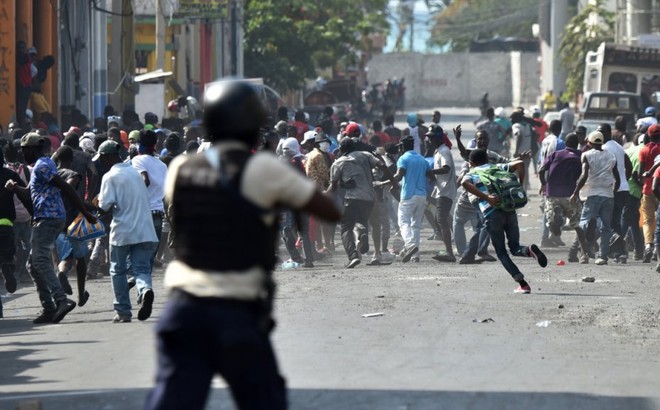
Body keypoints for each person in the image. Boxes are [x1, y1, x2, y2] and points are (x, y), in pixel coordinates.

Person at [144, 80, 340, 410]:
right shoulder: (263, 169)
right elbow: (330, 210)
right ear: (253, 127)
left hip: (184, 309)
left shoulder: (182, 167)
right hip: (237, 311)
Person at [5, 132, 97, 324]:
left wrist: (85, 211)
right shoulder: (39, 166)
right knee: (33, 264)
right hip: (45, 218)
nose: (22, 154)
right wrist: (14, 188)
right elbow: (30, 194)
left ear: (32, 149)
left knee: (39, 260)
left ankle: (61, 300)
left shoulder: (43, 164)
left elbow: (66, 187)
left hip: (49, 218)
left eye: (24, 150)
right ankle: (49, 308)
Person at [461, 149, 547, 293]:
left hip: (491, 213)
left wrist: (487, 197)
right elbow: (520, 163)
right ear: (487, 159)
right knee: (514, 247)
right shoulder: (497, 167)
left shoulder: (473, 173)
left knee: (501, 252)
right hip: (509, 210)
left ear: (471, 163)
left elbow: (464, 182)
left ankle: (523, 284)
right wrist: (520, 185)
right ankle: (529, 250)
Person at [96, 140, 159, 322]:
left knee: (117, 270)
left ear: (108, 157)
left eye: (102, 158)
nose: (101, 162)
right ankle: (145, 289)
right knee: (141, 268)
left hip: (123, 230)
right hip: (145, 229)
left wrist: (94, 203)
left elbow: (104, 206)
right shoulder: (135, 172)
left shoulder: (110, 176)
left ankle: (123, 311)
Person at [326, 138, 381, 268]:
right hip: (369, 198)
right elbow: (382, 165)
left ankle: (353, 256)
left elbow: (332, 187)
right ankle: (362, 234)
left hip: (352, 198)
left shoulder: (338, 162)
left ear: (342, 149)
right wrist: (393, 182)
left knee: (345, 228)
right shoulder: (365, 155)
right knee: (360, 223)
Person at [570, 131, 620, 265]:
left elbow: (584, 175)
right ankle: (602, 257)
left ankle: (584, 254)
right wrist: (612, 193)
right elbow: (617, 179)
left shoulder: (586, 155)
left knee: (583, 224)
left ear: (589, 143)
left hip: (591, 194)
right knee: (606, 227)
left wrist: (575, 192)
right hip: (607, 195)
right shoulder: (611, 156)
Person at [382, 136, 434, 263]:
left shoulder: (403, 158)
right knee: (415, 225)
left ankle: (410, 245)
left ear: (402, 146)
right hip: (422, 195)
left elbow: (398, 177)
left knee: (403, 222)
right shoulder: (422, 159)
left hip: (408, 195)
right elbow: (431, 176)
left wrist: (382, 182)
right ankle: (415, 255)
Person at [539, 133, 590, 263]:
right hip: (571, 194)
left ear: (565, 144)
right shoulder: (580, 155)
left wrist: (544, 184)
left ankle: (557, 221)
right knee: (578, 226)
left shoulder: (556, 154)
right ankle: (584, 255)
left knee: (552, 223)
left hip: (553, 193)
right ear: (577, 144)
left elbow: (541, 170)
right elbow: (585, 174)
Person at [0, 149, 33, 317]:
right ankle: (7, 265)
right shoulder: (8, 174)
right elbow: (25, 194)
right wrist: (32, 213)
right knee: (7, 255)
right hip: (5, 223)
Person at [131, 129, 168, 269]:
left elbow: (144, 180)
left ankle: (137, 281)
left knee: (137, 255)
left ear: (140, 144)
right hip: (158, 214)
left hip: (143, 213)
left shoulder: (137, 160)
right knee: (149, 258)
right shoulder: (162, 165)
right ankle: (145, 286)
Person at [426, 124, 456, 262]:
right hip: (440, 189)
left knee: (441, 220)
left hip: (445, 189)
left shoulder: (444, 151)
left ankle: (450, 253)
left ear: (438, 137)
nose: (429, 140)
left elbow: (446, 168)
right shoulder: (438, 151)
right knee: (441, 219)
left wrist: (431, 172)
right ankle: (450, 249)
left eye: (431, 137)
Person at [638, 124, 660, 262]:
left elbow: (640, 174)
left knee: (647, 221)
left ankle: (648, 246)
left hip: (648, 189)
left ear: (649, 135)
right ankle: (657, 250)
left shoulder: (644, 150)